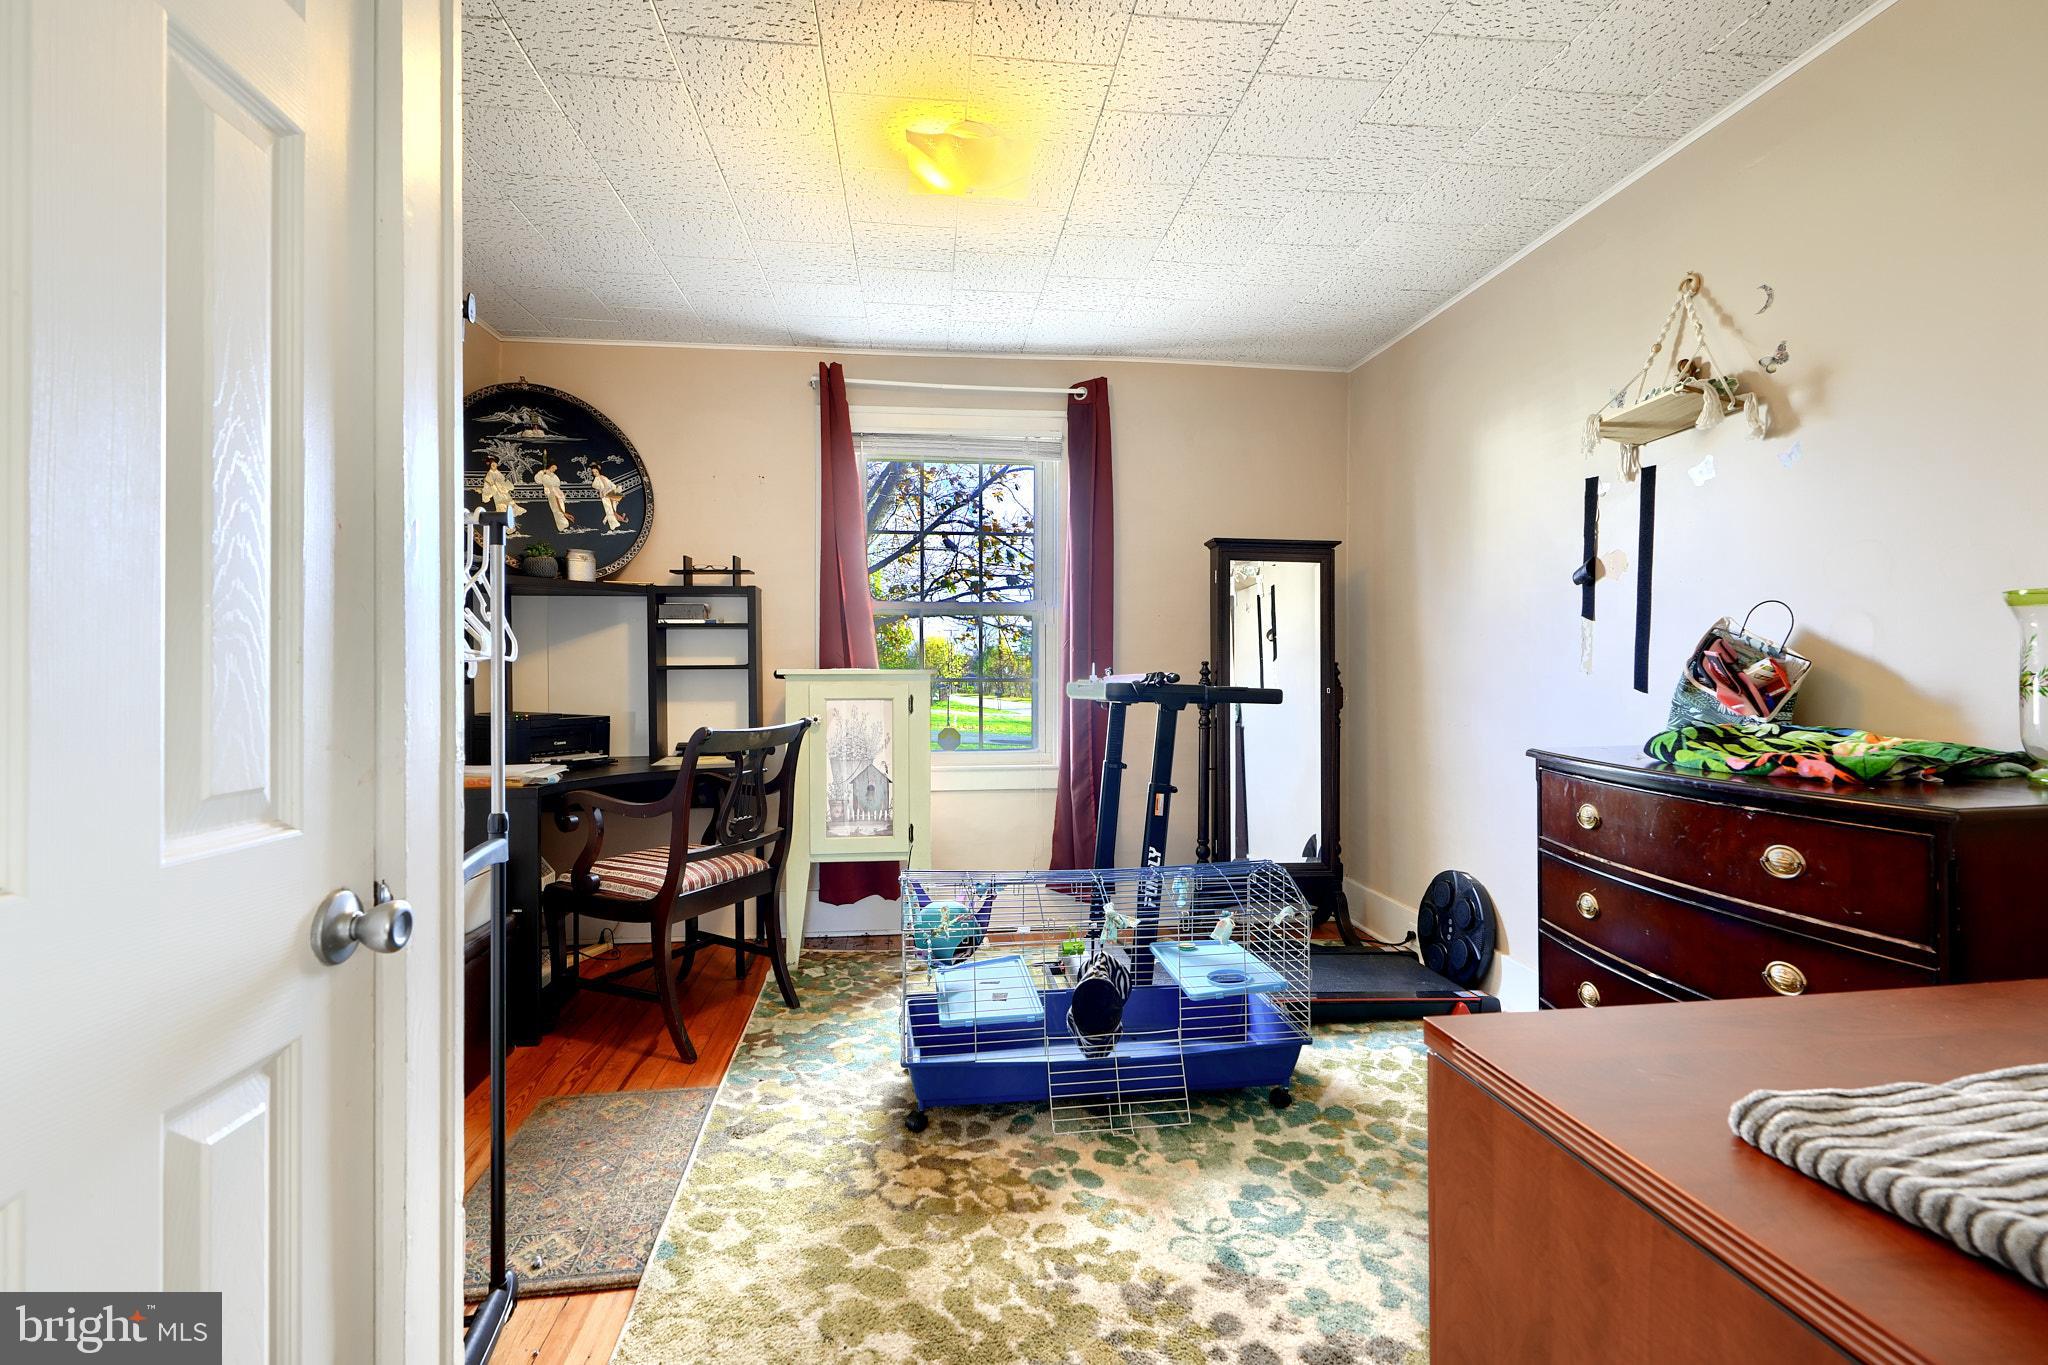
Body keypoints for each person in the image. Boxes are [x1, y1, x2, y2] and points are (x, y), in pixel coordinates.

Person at [535, 461, 572, 532]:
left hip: (557, 492)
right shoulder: (545, 476)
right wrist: (543, 473)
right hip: (552, 493)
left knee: (561, 508)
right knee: (556, 509)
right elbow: (545, 483)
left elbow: (557, 483)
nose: (554, 470)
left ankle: (563, 525)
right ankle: (562, 525)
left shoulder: (554, 475)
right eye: (553, 468)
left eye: (555, 469)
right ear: (550, 467)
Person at [590, 464, 628, 532]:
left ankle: (612, 521)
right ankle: (614, 523)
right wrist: (602, 490)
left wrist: (613, 488)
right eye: (593, 472)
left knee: (612, 507)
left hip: (609, 493)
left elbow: (610, 484)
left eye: (596, 471)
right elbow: (595, 486)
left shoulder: (603, 477)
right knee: (609, 509)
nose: (595, 473)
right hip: (605, 495)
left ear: (598, 471)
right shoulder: (597, 479)